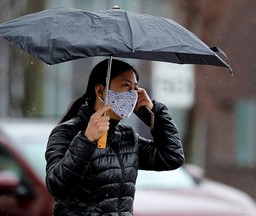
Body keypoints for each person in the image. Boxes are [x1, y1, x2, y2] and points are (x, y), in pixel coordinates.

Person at [45, 59, 184, 216]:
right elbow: (57, 186)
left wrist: (156, 111)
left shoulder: (127, 137)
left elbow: (172, 157)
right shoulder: (67, 132)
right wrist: (86, 140)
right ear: (100, 91)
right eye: (125, 86)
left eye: (135, 89)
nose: (131, 95)